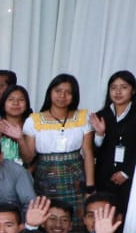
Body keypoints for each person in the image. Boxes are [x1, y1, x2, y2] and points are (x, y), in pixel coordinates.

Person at [19, 74, 93, 217]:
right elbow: (28, 158)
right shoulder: (33, 120)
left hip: (75, 177)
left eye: (68, 92)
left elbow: (88, 153)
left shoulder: (83, 117)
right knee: (47, 217)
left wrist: (90, 187)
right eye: (58, 91)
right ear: (50, 92)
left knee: (75, 218)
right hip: (45, 177)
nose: (62, 96)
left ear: (74, 95)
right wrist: (20, 139)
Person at [90, 71, 136, 205]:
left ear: (133, 90)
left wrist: (126, 173)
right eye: (113, 88)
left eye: (124, 87)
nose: (118, 92)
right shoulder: (101, 116)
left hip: (133, 179)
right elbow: (92, 152)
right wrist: (99, 134)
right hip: (104, 180)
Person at [0, 84, 32, 165]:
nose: (15, 103)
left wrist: (20, 139)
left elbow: (28, 160)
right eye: (10, 99)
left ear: (27, 105)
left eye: (21, 99)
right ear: (3, 104)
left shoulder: (31, 127)